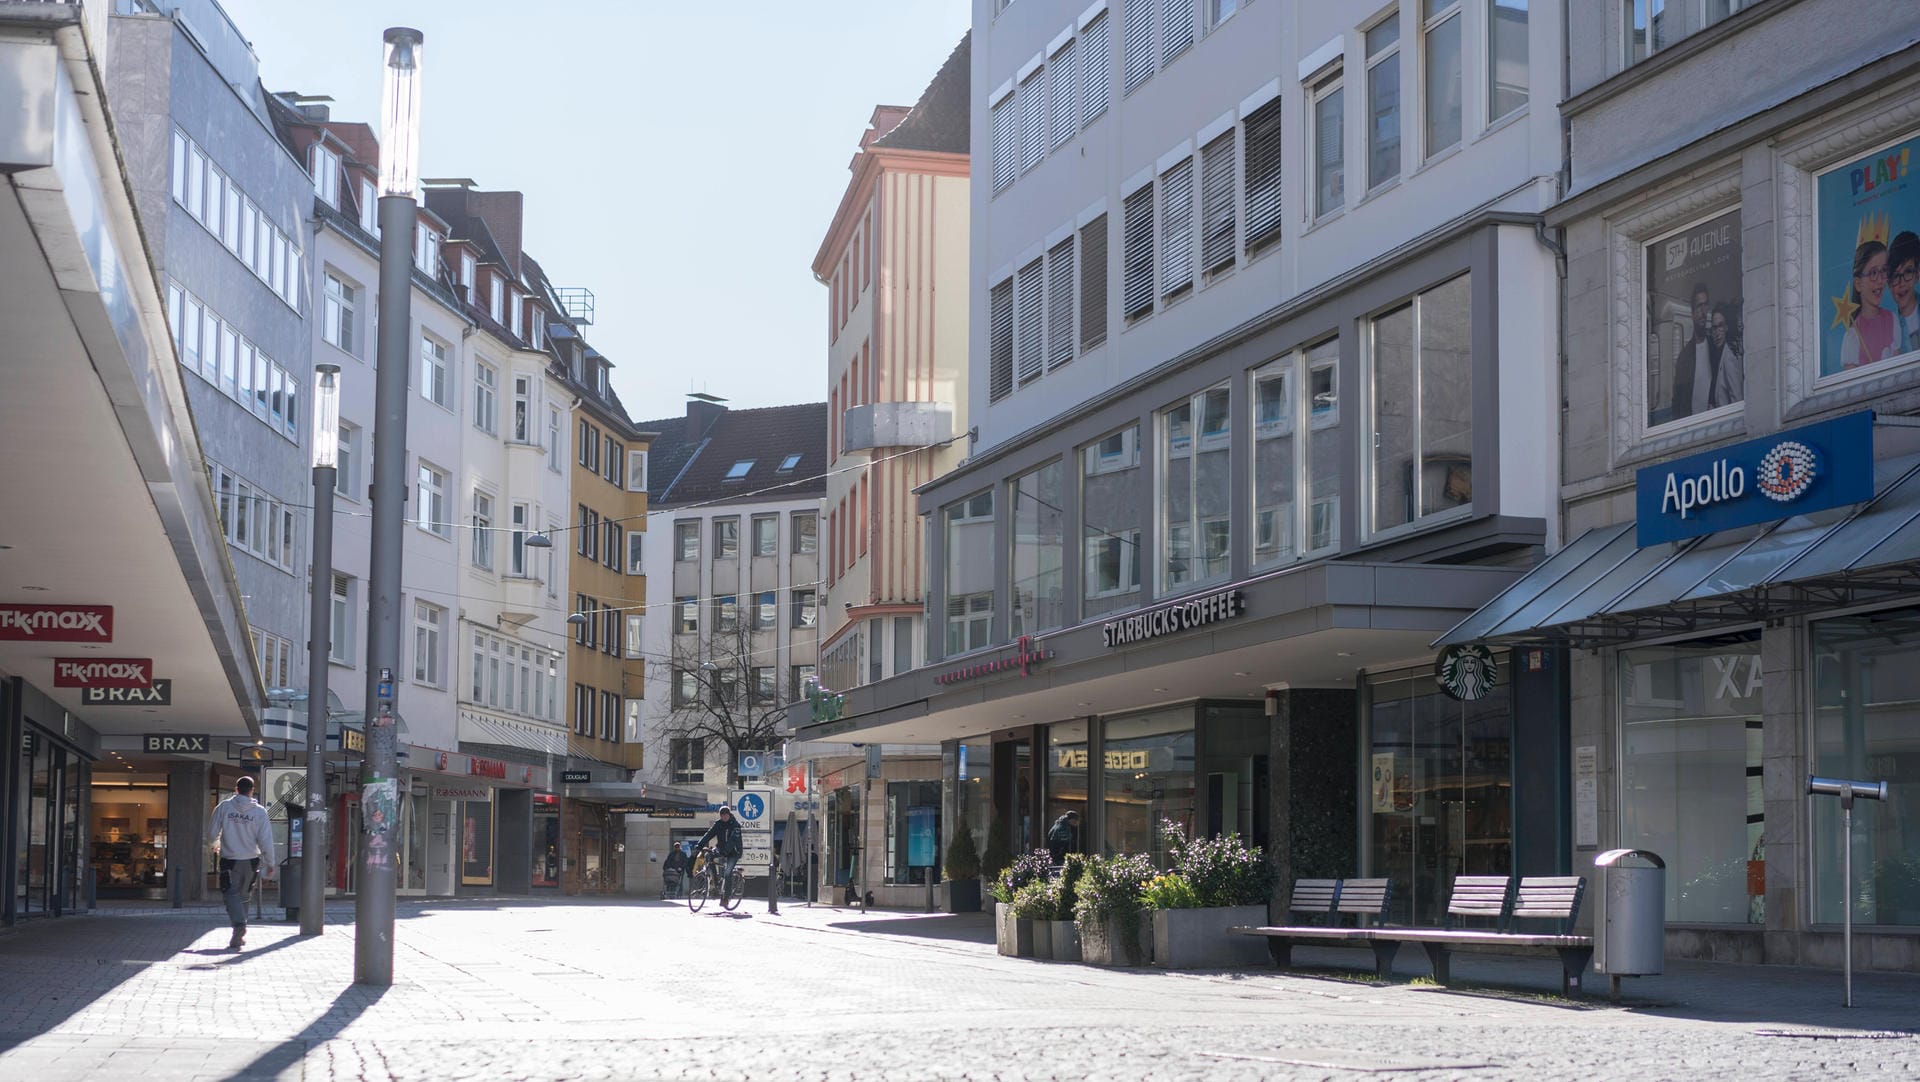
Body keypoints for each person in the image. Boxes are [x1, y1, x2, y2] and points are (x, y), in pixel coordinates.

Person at [207, 776, 275, 950]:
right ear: (252, 790)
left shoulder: (224, 807)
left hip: (230, 859)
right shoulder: (260, 812)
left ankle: (239, 925)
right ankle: (239, 933)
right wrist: (270, 863)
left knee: (231, 894)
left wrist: (215, 844)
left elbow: (212, 832)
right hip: (252, 860)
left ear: (236, 789)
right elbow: (265, 839)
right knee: (244, 896)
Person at [1670, 282, 1727, 420]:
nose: (1702, 311)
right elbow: (1677, 401)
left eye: (1705, 305)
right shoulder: (1684, 357)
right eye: (1698, 306)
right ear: (1692, 312)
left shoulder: (1716, 347)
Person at [1840, 239, 1897, 369]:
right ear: (1859, 284)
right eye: (1873, 273)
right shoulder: (1852, 336)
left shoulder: (1892, 320)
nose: (1880, 280)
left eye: (1883, 271)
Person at [695, 806, 744, 901]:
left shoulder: (735, 825)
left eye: (726, 815)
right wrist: (699, 846)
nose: (724, 817)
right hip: (720, 849)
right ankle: (716, 881)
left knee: (727, 873)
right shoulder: (718, 824)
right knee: (708, 855)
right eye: (722, 815)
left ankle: (726, 897)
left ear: (729, 815)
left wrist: (726, 850)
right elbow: (709, 834)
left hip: (734, 852)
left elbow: (733, 840)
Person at [1888, 231, 1920, 356]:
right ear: (1888, 283)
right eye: (1895, 276)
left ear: (1917, 273)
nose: (1901, 283)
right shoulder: (1888, 330)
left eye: (1907, 272)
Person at [1709, 302, 1746, 407]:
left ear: (1727, 327)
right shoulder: (1722, 354)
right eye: (1714, 328)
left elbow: (1737, 399)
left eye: (1720, 326)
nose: (1717, 333)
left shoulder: (1730, 355)